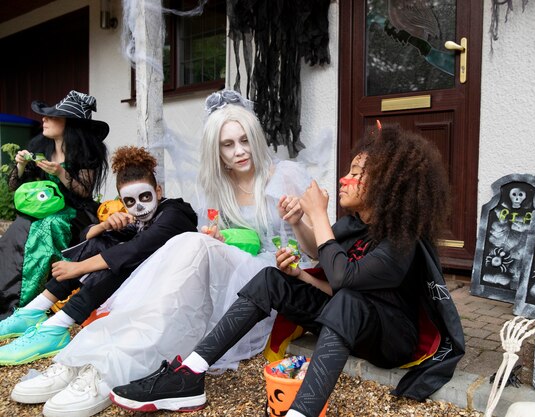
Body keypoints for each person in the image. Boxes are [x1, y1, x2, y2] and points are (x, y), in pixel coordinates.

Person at [108, 125, 466, 416]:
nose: (344, 178)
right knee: (270, 279)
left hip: (392, 340)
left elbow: (345, 280)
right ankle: (189, 375)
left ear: (387, 185)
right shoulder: (356, 226)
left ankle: (302, 412)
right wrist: (299, 246)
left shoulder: (399, 242)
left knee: (349, 303)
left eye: (355, 173)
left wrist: (319, 216)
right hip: (353, 318)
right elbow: (321, 257)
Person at [9, 90, 313, 417]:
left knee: (189, 244)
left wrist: (296, 223)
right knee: (184, 254)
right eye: (228, 144)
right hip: (237, 273)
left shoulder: (286, 175)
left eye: (244, 140)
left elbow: (315, 250)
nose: (239, 151)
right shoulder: (218, 186)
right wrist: (218, 236)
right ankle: (90, 356)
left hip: (278, 280)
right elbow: (237, 239)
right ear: (217, 151)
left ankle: (114, 369)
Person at [0, 145, 197, 367]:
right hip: (152, 283)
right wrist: (104, 225)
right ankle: (34, 310)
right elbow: (89, 238)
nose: (139, 205)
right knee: (103, 239)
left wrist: (79, 267)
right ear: (122, 201)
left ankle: (55, 328)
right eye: (130, 201)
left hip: (180, 291)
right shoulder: (143, 218)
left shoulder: (175, 215)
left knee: (120, 264)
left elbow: (136, 249)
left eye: (145, 196)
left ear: (158, 192)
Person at [0, 91, 109, 320]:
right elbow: (15, 186)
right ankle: (8, 297)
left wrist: (60, 172)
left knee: (48, 226)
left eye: (51, 116)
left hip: (75, 213)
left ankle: (28, 303)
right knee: (19, 227)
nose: (44, 120)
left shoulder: (86, 152)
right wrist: (20, 166)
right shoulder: (41, 145)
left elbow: (84, 191)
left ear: (68, 123)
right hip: (44, 208)